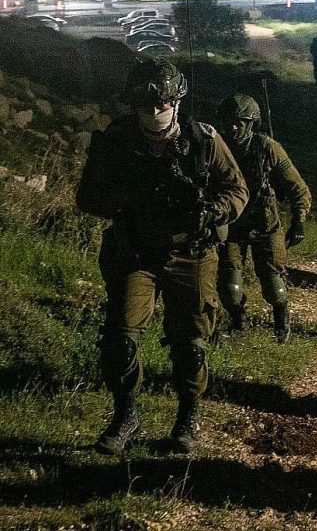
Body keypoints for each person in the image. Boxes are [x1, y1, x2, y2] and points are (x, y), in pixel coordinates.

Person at [77, 59, 248, 455]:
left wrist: (213, 211)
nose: (154, 112)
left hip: (191, 253)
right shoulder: (117, 141)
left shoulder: (204, 140)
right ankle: (125, 415)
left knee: (190, 345)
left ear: (176, 102)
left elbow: (237, 190)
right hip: (136, 252)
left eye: (162, 104)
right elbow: (87, 197)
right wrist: (130, 200)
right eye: (146, 105)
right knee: (120, 340)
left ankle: (188, 416)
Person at [215, 94, 312, 344]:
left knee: (274, 285)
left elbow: (298, 188)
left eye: (239, 122)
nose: (232, 127)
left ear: (251, 123)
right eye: (228, 121)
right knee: (229, 286)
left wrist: (299, 220)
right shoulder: (216, 146)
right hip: (231, 224)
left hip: (265, 224)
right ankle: (238, 321)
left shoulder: (267, 148)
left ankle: (281, 320)